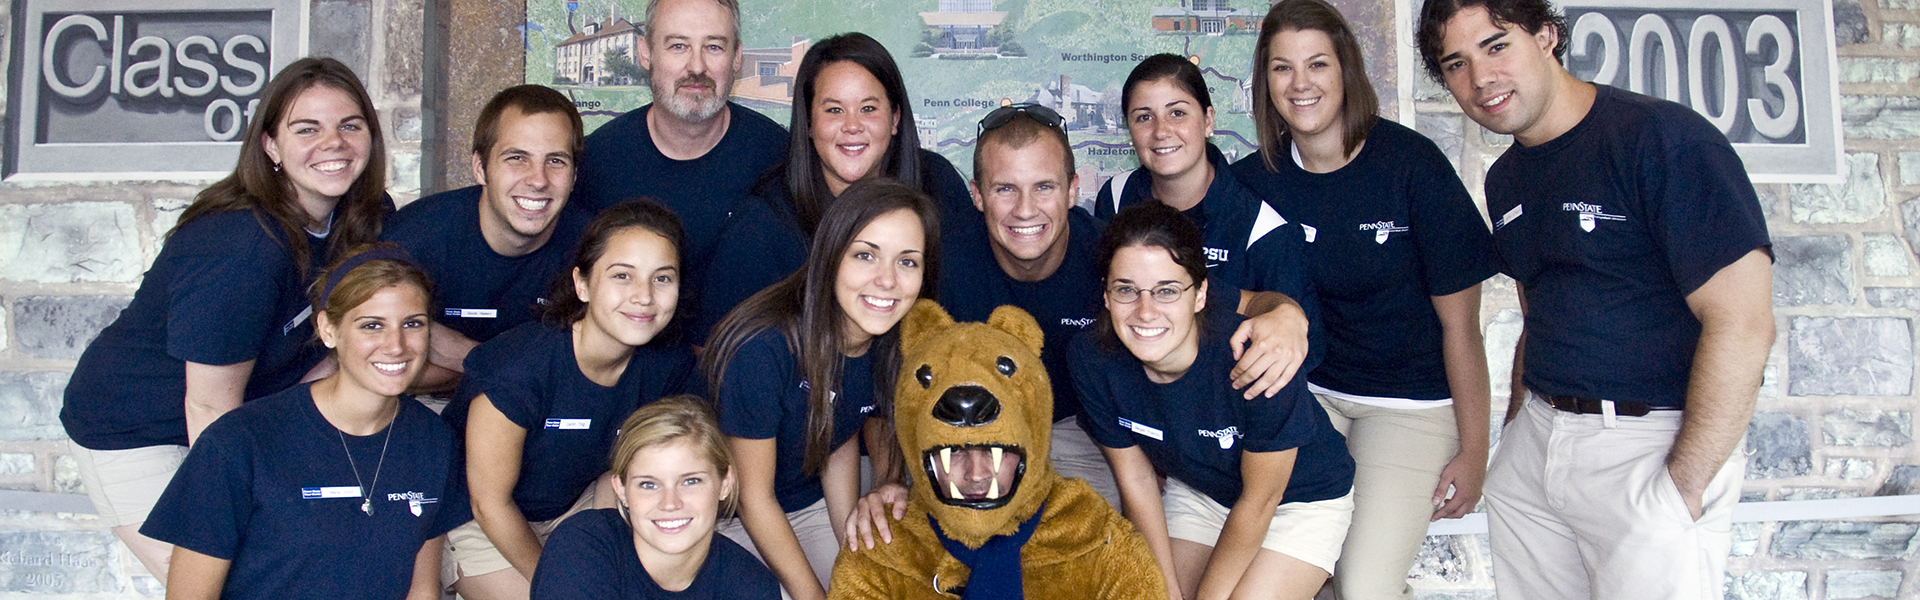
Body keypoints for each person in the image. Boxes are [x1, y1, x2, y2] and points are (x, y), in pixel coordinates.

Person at [1415, 0, 1774, 598]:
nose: (1480, 79)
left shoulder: (1662, 139)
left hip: (1647, 445)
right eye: (1456, 64)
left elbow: (1744, 324)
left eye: (1496, 45)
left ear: (1547, 35)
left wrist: (1684, 484)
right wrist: (1515, 440)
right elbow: (1538, 315)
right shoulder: (1507, 177)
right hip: (1539, 447)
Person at [58, 56, 389, 581]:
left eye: (350, 126)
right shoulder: (241, 249)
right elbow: (209, 406)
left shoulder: (362, 219)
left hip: (247, 409)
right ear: (271, 146)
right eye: (308, 129)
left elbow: (351, 340)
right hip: (143, 429)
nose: (335, 143)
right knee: (235, 579)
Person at [914, 103, 1313, 509]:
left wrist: (1286, 315)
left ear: (1073, 189)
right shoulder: (940, 262)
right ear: (977, 195)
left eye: (1044, 187)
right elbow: (896, 370)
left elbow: (1248, 301)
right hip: (978, 431)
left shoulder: (1114, 257)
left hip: (1085, 431)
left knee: (1098, 547)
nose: (1025, 209)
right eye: (1005, 189)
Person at [1228, 1, 1497, 597]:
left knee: (1364, 583)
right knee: (1288, 570)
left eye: (1317, 64)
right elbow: (1213, 292)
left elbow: (1462, 328)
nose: (1301, 84)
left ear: (1346, 70)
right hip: (1310, 399)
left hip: (1409, 408)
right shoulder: (1252, 183)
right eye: (1281, 68)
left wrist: (1475, 452)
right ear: (1264, 82)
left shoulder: (1410, 165)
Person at [140, 244, 465, 600]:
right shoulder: (239, 441)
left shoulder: (434, 439)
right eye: (372, 326)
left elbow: (422, 592)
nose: (396, 345)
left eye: (412, 324)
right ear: (328, 329)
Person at [1070, 203, 1354, 600]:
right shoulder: (1092, 358)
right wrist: (1161, 589)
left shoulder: (1256, 356)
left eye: (1167, 291)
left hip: (1297, 500)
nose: (1145, 311)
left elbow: (1261, 500)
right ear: (1106, 294)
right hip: (1202, 493)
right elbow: (1136, 481)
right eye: (1126, 290)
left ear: (1201, 293)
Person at [444, 201, 700, 600]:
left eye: (662, 278)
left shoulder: (667, 365)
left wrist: (602, 552)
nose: (644, 296)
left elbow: (615, 473)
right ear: (582, 284)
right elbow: (489, 501)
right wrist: (563, 583)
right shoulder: (520, 368)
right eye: (622, 276)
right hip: (478, 521)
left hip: (573, 509)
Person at [703, 179, 940, 600]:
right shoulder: (762, 346)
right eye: (865, 256)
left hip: (805, 500)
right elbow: (752, 498)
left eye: (908, 262)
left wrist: (854, 537)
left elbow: (839, 431)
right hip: (720, 515)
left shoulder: (893, 341)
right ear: (830, 257)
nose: (886, 280)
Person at [698, 31, 974, 343]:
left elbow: (970, 318)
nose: (852, 125)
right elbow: (714, 349)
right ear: (809, 123)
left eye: (868, 108)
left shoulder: (937, 184)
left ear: (895, 118)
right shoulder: (763, 222)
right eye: (834, 110)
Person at [571, 0, 789, 342]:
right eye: (678, 46)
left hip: (737, 373)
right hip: (628, 377)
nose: (696, 66)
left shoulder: (780, 156)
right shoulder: (595, 161)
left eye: (714, 47)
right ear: (646, 54)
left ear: (736, 58)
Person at [1092, 54, 1320, 373]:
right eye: (1144, 117)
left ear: (1208, 121)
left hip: (1228, 397)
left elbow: (1301, 345)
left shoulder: (1262, 225)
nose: (1161, 131)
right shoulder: (1115, 199)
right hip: (1136, 393)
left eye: (1178, 113)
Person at [384, 84, 591, 392]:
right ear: (480, 168)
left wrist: (459, 355)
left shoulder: (592, 249)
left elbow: (586, 370)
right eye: (517, 158)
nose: (538, 179)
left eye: (556, 161)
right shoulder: (414, 238)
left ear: (574, 177)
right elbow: (365, 353)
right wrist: (487, 362)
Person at [530, 396, 780, 600]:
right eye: (648, 484)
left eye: (691, 481)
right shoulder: (581, 547)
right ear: (621, 490)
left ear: (725, 483)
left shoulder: (752, 586)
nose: (670, 503)